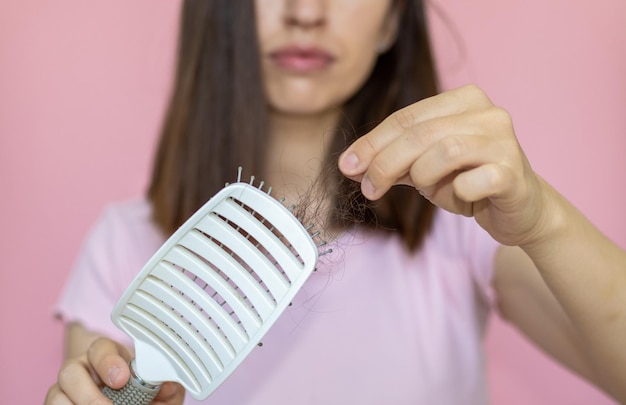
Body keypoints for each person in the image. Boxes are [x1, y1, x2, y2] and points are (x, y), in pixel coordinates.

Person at [45, 1, 626, 404]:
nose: (306, 11)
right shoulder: (124, 244)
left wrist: (544, 221)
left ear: (392, 18)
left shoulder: (464, 219)